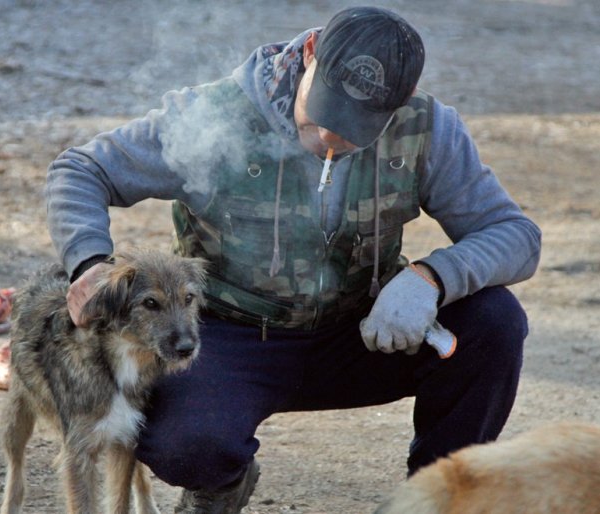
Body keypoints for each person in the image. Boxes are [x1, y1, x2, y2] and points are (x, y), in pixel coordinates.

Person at [46, 6, 541, 513]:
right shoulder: (216, 116)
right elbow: (81, 169)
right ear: (309, 53)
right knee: (187, 446)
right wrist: (88, 263)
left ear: (402, 101)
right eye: (326, 111)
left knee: (493, 322)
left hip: (363, 331)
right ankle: (222, 483)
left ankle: (438, 497)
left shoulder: (428, 129)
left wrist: (431, 278)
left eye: (358, 126)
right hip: (232, 339)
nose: (331, 137)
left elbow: (516, 235)